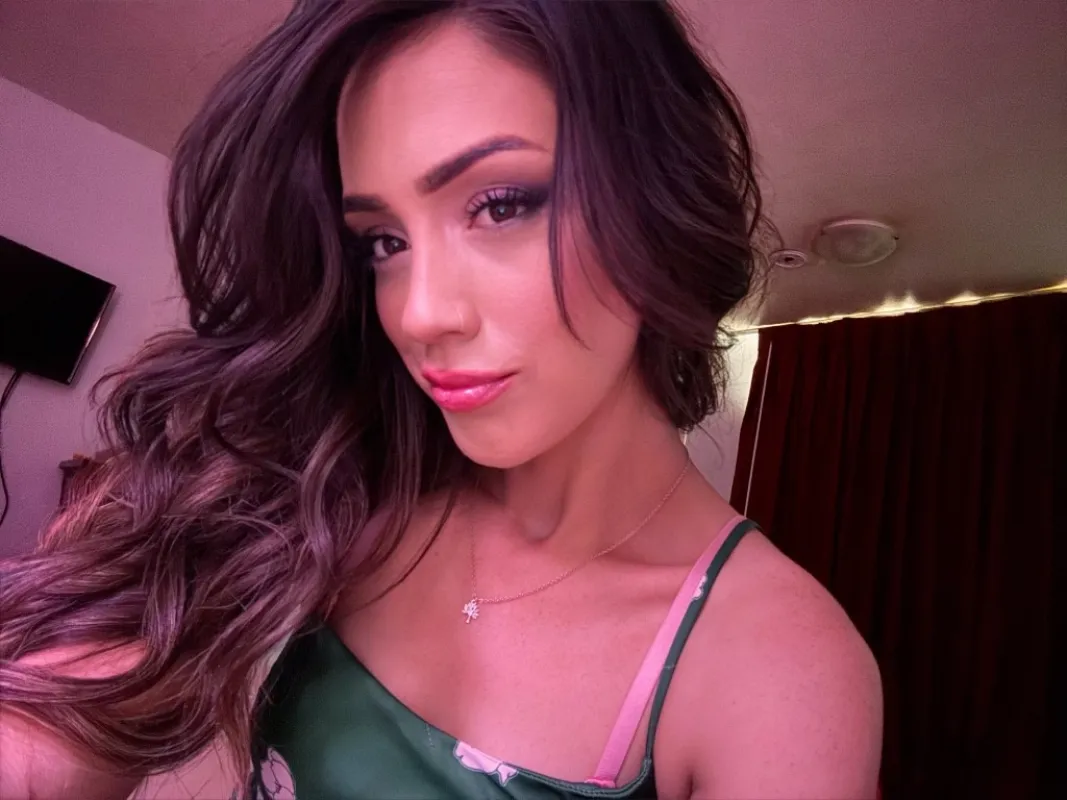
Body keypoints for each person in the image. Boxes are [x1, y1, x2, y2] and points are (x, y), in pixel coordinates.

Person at [0, 1, 883, 798]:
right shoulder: (350, 477)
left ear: (655, 199)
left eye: (499, 205)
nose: (420, 313)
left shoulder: (775, 665)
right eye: (382, 241)